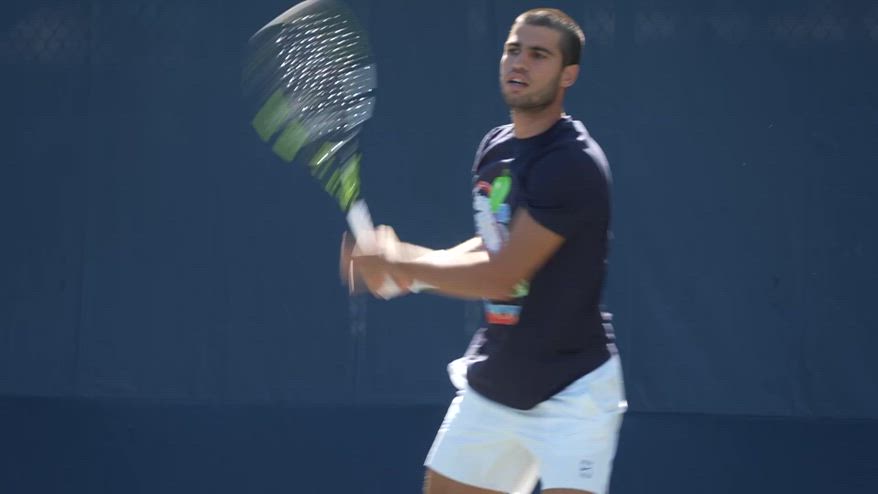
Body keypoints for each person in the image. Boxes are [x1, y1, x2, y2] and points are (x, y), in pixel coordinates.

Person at [344, 8, 626, 494]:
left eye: (538, 55)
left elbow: (504, 275)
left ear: (568, 75)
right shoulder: (496, 148)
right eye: (513, 49)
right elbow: (495, 241)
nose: (520, 62)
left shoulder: (572, 164)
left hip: (573, 392)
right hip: (497, 381)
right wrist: (412, 269)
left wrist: (401, 262)